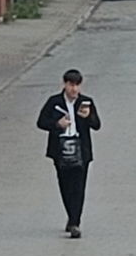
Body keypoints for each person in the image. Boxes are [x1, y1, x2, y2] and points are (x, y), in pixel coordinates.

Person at [36, 69, 101, 238]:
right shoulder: (54, 102)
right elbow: (41, 122)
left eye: (77, 85)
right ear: (64, 84)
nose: (74, 89)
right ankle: (71, 214)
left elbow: (97, 125)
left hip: (81, 149)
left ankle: (74, 222)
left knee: (79, 187)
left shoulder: (86, 102)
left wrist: (88, 117)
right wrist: (57, 124)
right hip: (61, 149)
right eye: (71, 85)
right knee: (65, 186)